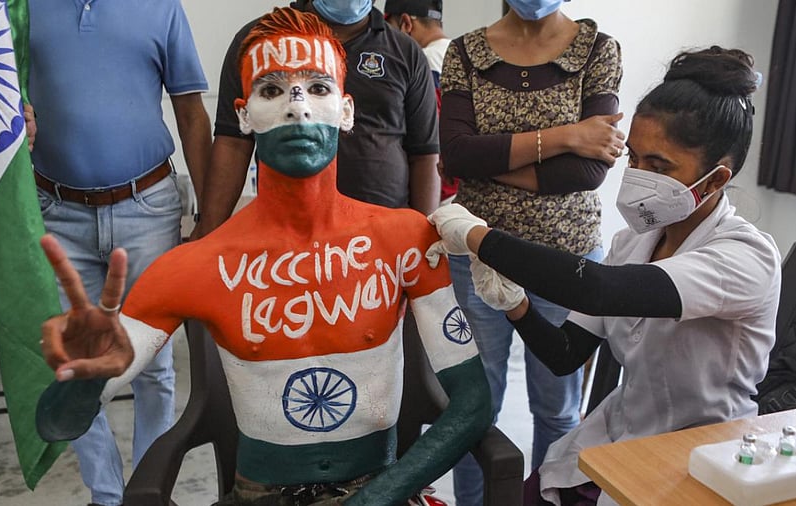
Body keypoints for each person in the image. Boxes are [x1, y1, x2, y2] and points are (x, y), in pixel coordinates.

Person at [37, 8, 491, 506]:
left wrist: (382, 495)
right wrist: (85, 379)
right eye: (272, 90)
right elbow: (57, 422)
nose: (297, 108)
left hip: (380, 489)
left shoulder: (406, 239)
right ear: (244, 113)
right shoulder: (196, 264)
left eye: (318, 89)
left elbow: (472, 402)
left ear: (346, 109)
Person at [428, 46, 780, 506]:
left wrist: (478, 235)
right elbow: (565, 353)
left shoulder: (745, 256)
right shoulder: (634, 242)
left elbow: (597, 289)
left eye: (659, 166)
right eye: (634, 157)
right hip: (619, 438)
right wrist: (515, 304)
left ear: (714, 180)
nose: (637, 174)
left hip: (701, 454)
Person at [437, 0, 624, 503]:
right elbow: (454, 154)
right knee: (475, 411)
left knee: (558, 409)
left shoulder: (597, 50)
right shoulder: (465, 51)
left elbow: (587, 172)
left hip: (569, 262)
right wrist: (567, 136)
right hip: (478, 258)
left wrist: (490, 156)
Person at [26, 0, 211, 504]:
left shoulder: (161, 8)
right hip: (58, 210)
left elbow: (191, 114)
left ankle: (148, 493)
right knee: (77, 364)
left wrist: (213, 220)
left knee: (153, 365)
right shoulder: (23, 8)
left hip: (147, 207)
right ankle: (107, 497)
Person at [192, 0, 441, 240]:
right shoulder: (259, 42)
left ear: (347, 110)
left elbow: (425, 154)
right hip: (286, 234)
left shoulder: (405, 51)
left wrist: (423, 236)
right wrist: (208, 232)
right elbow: (233, 143)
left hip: (385, 234)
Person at [383, 0, 457, 205]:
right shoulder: (463, 55)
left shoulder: (423, 61)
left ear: (406, 23)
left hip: (436, 193)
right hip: (467, 190)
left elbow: (427, 135)